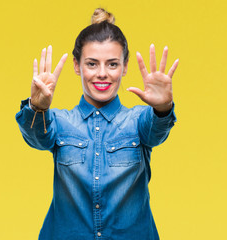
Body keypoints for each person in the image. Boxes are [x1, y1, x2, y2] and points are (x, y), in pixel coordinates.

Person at [15, 8, 179, 240]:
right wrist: (37, 107)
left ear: (125, 67)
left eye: (112, 64)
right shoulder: (60, 122)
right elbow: (36, 137)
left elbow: (157, 130)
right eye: (92, 64)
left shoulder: (138, 121)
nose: (102, 73)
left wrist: (163, 107)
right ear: (76, 65)